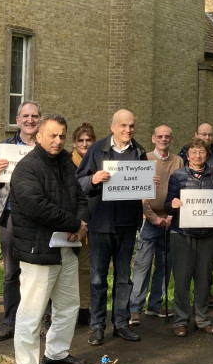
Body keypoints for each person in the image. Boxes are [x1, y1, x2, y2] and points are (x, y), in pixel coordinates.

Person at [8, 114, 89, 364]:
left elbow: (80, 197)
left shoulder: (66, 163)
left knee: (68, 306)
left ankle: (56, 354)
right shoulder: (27, 168)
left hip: (66, 247)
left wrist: (80, 224)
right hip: (38, 250)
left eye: (62, 136)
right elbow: (35, 206)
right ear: (39, 136)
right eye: (52, 135)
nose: (58, 141)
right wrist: (74, 223)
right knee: (32, 311)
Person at [77, 109, 146, 346]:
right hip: (100, 223)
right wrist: (94, 179)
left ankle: (121, 323)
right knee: (97, 278)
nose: (128, 130)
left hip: (127, 223)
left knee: (124, 278)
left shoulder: (139, 152)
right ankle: (97, 326)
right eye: (123, 126)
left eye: (132, 126)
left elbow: (141, 186)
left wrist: (149, 182)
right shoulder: (97, 150)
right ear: (113, 127)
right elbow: (79, 182)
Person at [166, 137, 213, 337]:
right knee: (182, 279)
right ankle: (180, 320)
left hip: (209, 234)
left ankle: (202, 318)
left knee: (204, 278)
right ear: (187, 155)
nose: (198, 156)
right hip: (182, 233)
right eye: (193, 152)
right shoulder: (177, 176)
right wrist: (174, 204)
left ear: (207, 155)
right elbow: (167, 203)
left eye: (202, 152)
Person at [0, 100, 41, 343]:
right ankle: (10, 321)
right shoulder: (6, 147)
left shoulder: (46, 146)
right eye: (26, 116)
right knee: (11, 273)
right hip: (11, 216)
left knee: (40, 272)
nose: (30, 120)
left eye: (35, 116)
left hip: (39, 219)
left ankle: (42, 320)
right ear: (18, 120)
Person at [129, 124, 182, 323]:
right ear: (153, 138)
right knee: (142, 265)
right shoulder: (145, 159)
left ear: (172, 139)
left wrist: (170, 216)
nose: (163, 139)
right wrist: (154, 218)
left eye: (167, 136)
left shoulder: (178, 161)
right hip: (148, 220)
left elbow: (181, 189)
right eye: (159, 136)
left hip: (170, 220)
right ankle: (135, 308)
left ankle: (155, 304)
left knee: (164, 265)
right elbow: (140, 195)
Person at [71, 123, 96, 326]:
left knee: (85, 269)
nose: (85, 144)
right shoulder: (66, 162)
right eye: (81, 140)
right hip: (69, 223)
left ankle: (84, 309)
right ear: (74, 142)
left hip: (91, 223)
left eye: (88, 140)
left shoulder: (99, 162)